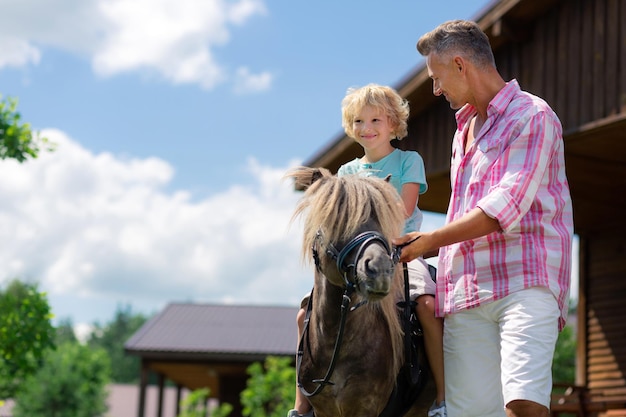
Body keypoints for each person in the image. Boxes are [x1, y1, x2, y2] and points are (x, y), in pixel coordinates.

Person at [393, 20, 574, 417]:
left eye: (437, 78)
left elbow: (503, 206)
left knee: (523, 404)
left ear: (460, 64)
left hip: (524, 281)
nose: (436, 89)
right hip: (465, 290)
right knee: (471, 413)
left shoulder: (532, 115)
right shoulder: (461, 133)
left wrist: (427, 242)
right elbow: (464, 208)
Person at [288, 83, 446, 417]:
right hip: (356, 258)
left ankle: (441, 399)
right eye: (359, 121)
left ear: (394, 124)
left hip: (401, 250)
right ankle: (302, 403)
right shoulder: (347, 172)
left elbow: (402, 212)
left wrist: (376, 234)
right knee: (305, 314)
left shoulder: (408, 161)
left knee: (428, 307)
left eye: (376, 120)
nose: (367, 128)